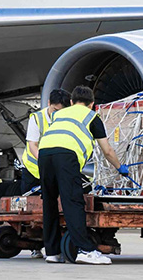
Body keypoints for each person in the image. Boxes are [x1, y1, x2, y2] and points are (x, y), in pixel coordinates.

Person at [38, 85, 128, 265]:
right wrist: (120, 167)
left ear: (71, 102)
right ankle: (85, 251)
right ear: (92, 104)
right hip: (66, 156)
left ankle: (52, 252)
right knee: (73, 202)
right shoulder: (92, 117)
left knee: (49, 203)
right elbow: (107, 150)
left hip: (44, 154)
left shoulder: (58, 114)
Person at [22, 88, 71, 193]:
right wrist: (46, 162)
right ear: (48, 103)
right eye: (55, 110)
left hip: (55, 170)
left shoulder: (67, 120)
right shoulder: (37, 119)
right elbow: (33, 145)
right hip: (33, 170)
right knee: (30, 201)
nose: (57, 114)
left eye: (61, 111)